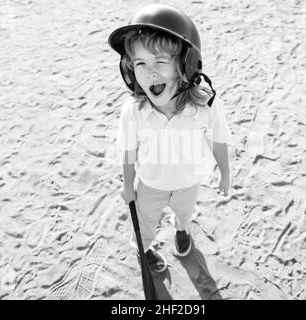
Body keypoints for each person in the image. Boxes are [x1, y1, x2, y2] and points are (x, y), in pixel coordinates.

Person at [108, 4, 231, 272]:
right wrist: (128, 186)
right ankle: (144, 248)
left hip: (189, 183)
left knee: (185, 215)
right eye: (139, 63)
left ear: (185, 65)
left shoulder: (206, 107)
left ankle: (183, 231)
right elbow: (128, 152)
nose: (149, 72)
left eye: (160, 61)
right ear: (129, 71)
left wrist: (225, 173)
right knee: (145, 224)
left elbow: (218, 140)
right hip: (150, 186)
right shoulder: (134, 112)